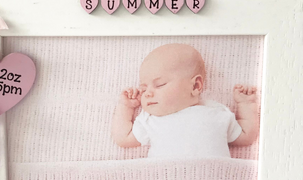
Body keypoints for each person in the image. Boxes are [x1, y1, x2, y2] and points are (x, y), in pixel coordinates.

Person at [111, 43, 259, 159]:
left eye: (160, 85)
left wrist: (246, 105)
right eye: (143, 89)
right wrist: (126, 107)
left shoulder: (216, 112)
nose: (147, 94)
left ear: (195, 86)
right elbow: (123, 138)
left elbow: (246, 136)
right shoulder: (150, 119)